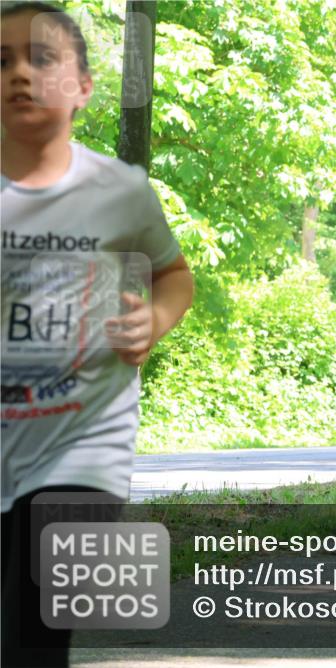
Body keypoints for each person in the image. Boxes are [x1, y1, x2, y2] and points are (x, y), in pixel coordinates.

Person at [1, 3, 195, 666]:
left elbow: (174, 276)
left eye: (41, 58)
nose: (20, 75)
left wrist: (154, 319)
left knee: (34, 625)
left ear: (84, 86)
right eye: (1, 62)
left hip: (84, 441)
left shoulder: (122, 190)